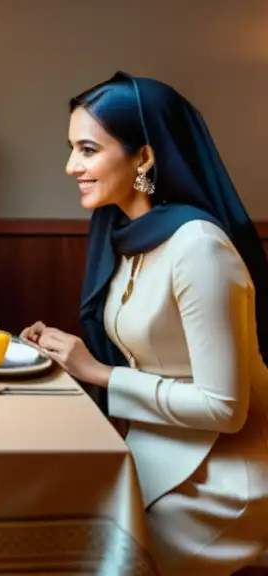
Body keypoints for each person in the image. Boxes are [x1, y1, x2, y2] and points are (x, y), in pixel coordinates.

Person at [22, 72, 268, 575]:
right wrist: (68, 356)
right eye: (72, 149)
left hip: (220, 482)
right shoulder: (132, 237)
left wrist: (98, 373)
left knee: (78, 555)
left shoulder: (198, 246)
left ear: (145, 157)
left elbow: (225, 410)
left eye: (87, 150)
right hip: (154, 456)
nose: (71, 166)